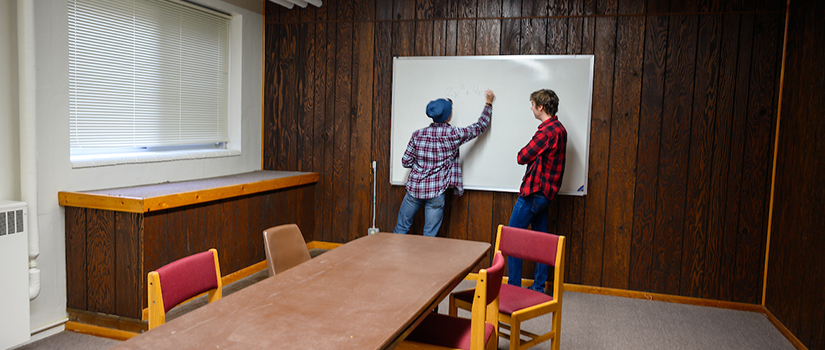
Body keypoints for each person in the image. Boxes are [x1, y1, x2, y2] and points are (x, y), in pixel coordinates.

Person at [394, 90, 496, 237]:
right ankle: (425, 261)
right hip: (437, 191)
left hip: (414, 189)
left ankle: (393, 259)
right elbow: (479, 127)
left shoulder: (417, 134)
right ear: (448, 117)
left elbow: (406, 161)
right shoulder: (453, 135)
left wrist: (422, 166)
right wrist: (488, 104)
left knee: (400, 229)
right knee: (429, 236)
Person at [507, 89, 567, 292]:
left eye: (532, 104)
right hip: (547, 195)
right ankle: (539, 287)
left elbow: (521, 156)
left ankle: (513, 287)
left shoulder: (547, 131)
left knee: (512, 238)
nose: (531, 108)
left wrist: (528, 154)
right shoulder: (560, 128)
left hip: (534, 193)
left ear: (541, 107)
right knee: (542, 240)